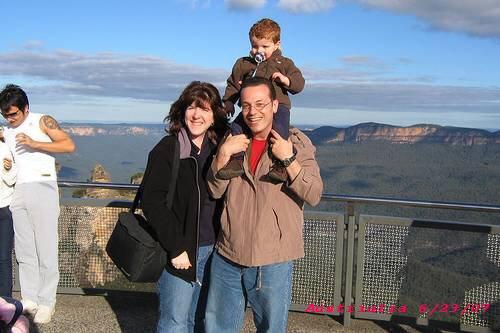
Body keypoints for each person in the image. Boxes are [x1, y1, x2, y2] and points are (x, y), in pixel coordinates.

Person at [205, 77, 323, 333]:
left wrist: (289, 159)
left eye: (260, 104)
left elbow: (314, 193)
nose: (252, 112)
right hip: (228, 253)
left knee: (271, 329)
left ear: (274, 106)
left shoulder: (296, 142)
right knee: (217, 328)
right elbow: (215, 189)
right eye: (246, 105)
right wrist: (222, 156)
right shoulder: (234, 142)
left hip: (272, 260)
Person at [141, 81, 228, 333]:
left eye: (205, 109)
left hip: (214, 250)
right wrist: (176, 247)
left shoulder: (218, 149)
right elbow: (152, 201)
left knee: (199, 320)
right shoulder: (169, 149)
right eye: (191, 107)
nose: (196, 114)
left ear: (214, 116)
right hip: (181, 250)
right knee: (175, 322)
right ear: (182, 111)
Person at [0, 84, 76, 324]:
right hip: (18, 190)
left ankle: (47, 302)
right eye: (5, 115)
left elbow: (68, 145)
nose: (10, 119)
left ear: (26, 108)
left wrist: (36, 144)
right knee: (24, 250)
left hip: (43, 186)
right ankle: (30, 298)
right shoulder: (7, 130)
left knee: (46, 248)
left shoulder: (43, 121)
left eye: (13, 114)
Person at [218, 18, 305, 182]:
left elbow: (299, 83)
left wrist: (286, 80)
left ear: (277, 44)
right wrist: (229, 102)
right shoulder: (244, 64)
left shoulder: (284, 63)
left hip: (279, 107)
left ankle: (280, 166)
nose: (259, 50)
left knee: (280, 132)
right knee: (236, 128)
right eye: (254, 46)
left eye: (265, 46)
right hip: (249, 108)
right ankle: (236, 161)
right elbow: (233, 83)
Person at [0, 129, 16, 298]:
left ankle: (5, 299)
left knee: (3, 257)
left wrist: (8, 169)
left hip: (4, 207)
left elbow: (12, 180)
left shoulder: (4, 149)